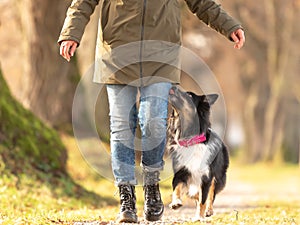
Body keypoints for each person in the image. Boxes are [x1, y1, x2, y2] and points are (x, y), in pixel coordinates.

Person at [58, 0, 245, 223]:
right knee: (121, 128)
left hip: (161, 55)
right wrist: (71, 32)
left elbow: (201, 2)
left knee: (153, 122)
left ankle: (151, 185)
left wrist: (229, 25)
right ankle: (126, 197)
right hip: (118, 52)